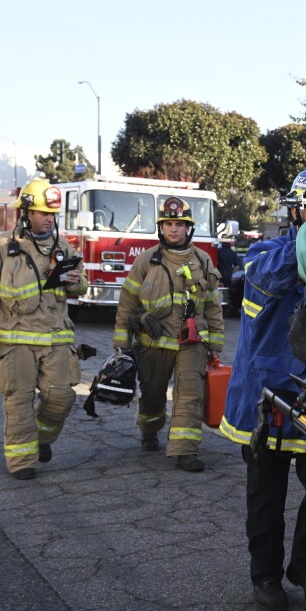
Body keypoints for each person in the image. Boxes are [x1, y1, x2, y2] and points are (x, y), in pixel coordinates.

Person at [221, 166, 306, 611]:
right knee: (266, 497)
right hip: (267, 400)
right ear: (296, 213)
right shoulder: (266, 252)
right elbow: (271, 278)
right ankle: (265, 576)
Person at [0, 180, 87, 480]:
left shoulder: (63, 247)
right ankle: (21, 462)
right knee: (18, 400)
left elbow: (82, 284)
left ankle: (41, 438)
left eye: (53, 214)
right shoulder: (2, 247)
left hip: (56, 337)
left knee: (61, 399)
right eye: (43, 213)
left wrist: (76, 282)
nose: (49, 219)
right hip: (13, 339)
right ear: (26, 212)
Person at [114, 196, 225, 473]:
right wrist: (122, 343)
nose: (173, 229)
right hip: (153, 342)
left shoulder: (203, 261)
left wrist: (215, 344)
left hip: (191, 342)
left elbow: (213, 305)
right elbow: (127, 302)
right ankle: (149, 430)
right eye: (168, 224)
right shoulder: (145, 260)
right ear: (160, 228)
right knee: (152, 394)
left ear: (189, 227)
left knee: (190, 395)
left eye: (179, 224)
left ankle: (185, 452)